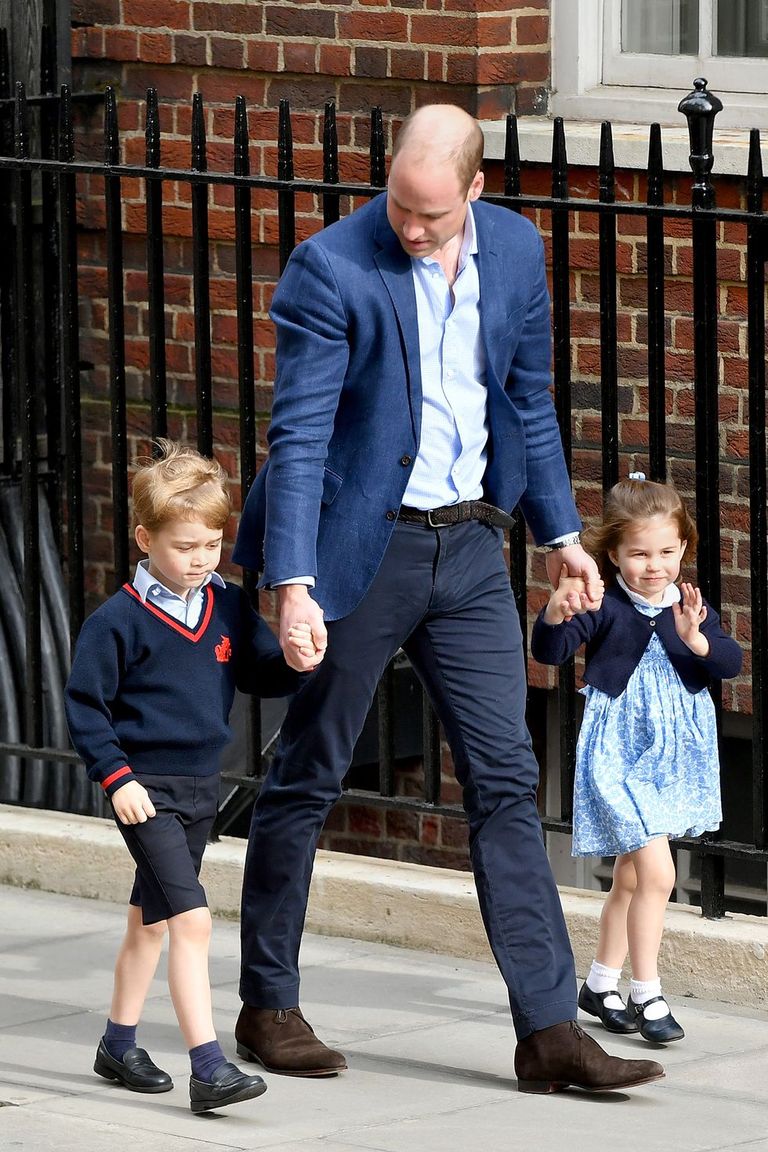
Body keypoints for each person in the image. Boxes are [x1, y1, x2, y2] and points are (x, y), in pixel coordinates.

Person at [232, 104, 665, 1094]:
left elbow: (529, 398)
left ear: (474, 188)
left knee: (506, 780)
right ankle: (268, 1005)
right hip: (360, 548)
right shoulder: (331, 268)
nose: (411, 229)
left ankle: (549, 1032)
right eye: (400, 206)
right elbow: (299, 437)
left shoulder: (514, 248)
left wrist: (561, 536)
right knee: (308, 772)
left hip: (470, 545)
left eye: (431, 214)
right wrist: (291, 584)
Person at [65, 439, 309, 1113]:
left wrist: (296, 662)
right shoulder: (116, 622)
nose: (201, 559)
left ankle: (117, 1043)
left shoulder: (226, 605)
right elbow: (85, 708)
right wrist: (117, 778)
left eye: (212, 545)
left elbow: (260, 674)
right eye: (185, 547)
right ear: (145, 540)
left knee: (150, 921)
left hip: (203, 787)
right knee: (191, 920)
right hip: (146, 793)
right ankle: (209, 1069)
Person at [531, 474, 742, 1044]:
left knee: (629, 875)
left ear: (684, 548)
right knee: (658, 873)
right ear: (614, 554)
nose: (655, 566)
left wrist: (697, 640)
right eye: (640, 554)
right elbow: (550, 652)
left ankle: (600, 984)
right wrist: (555, 613)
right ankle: (647, 994)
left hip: (671, 759)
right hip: (620, 754)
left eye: (667, 552)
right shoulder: (605, 604)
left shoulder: (689, 606)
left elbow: (729, 663)